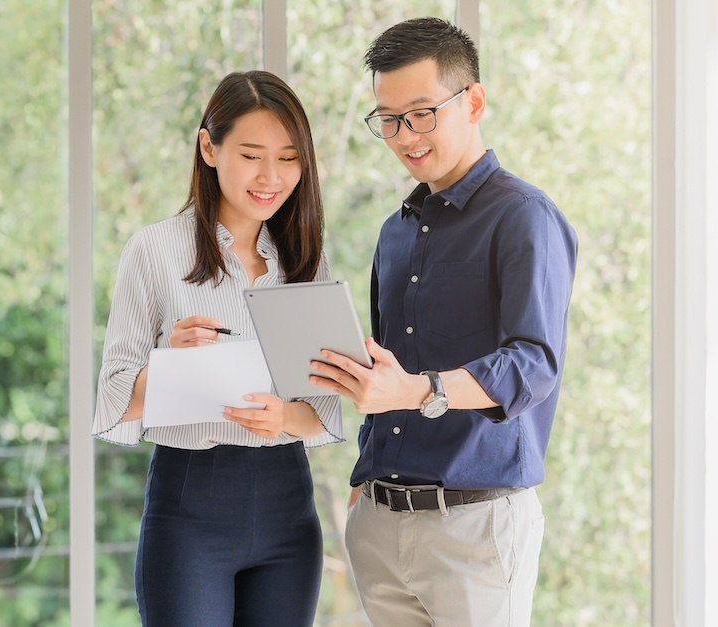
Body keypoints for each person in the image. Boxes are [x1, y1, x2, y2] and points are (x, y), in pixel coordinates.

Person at [307, 17, 578, 626]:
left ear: (473, 100)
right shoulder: (395, 231)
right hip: (379, 524)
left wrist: (417, 390)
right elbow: (393, 364)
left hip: (474, 530)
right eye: (389, 120)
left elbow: (533, 365)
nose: (406, 136)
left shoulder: (524, 217)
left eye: (423, 112)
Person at [92, 70, 344, 627]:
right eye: (251, 155)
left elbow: (323, 413)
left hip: (287, 507)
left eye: (288, 158)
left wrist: (283, 415)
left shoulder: (305, 262)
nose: (270, 177)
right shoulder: (154, 250)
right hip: (189, 508)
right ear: (209, 146)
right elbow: (112, 399)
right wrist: (170, 364)